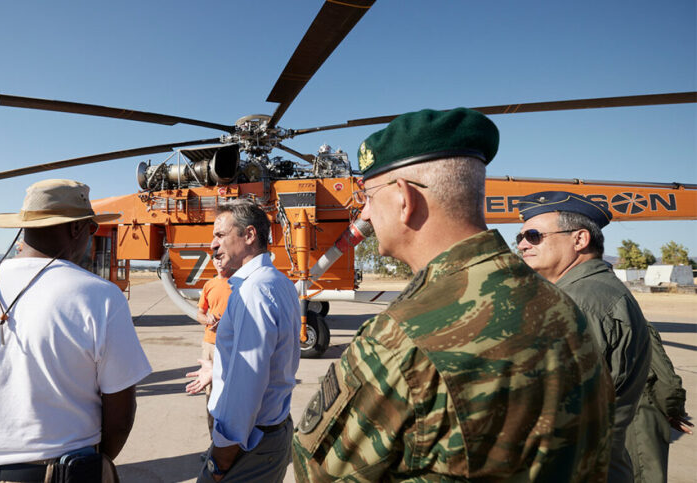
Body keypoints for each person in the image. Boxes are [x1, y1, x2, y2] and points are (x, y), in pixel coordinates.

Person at [292, 108, 614, 481]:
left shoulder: (403, 338)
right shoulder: (561, 307)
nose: (365, 213)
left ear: (403, 198)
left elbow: (316, 473)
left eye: (368, 196)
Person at [0, 179, 152, 482]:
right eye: (92, 228)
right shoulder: (100, 296)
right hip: (58, 474)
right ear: (76, 229)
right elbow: (119, 419)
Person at [516, 191, 652, 482]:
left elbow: (552, 408)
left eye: (534, 235)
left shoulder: (583, 302)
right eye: (520, 237)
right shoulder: (588, 293)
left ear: (579, 240)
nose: (523, 244)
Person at [186, 199, 301, 482]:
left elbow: (247, 385)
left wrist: (221, 461)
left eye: (220, 235)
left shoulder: (254, 291)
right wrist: (221, 369)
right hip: (267, 435)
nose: (213, 244)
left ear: (249, 235)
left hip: (248, 443)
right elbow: (270, 358)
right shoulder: (278, 282)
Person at [625, 325, 691, 483]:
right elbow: (666, 384)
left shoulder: (568, 318)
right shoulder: (634, 323)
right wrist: (673, 410)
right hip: (637, 423)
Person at [195, 256, 236, 436]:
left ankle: (230, 439)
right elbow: (200, 313)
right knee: (210, 392)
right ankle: (213, 440)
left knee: (231, 390)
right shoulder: (209, 285)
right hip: (210, 344)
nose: (220, 263)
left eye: (222, 259)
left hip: (233, 345)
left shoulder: (237, 285)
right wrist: (207, 319)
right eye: (216, 260)